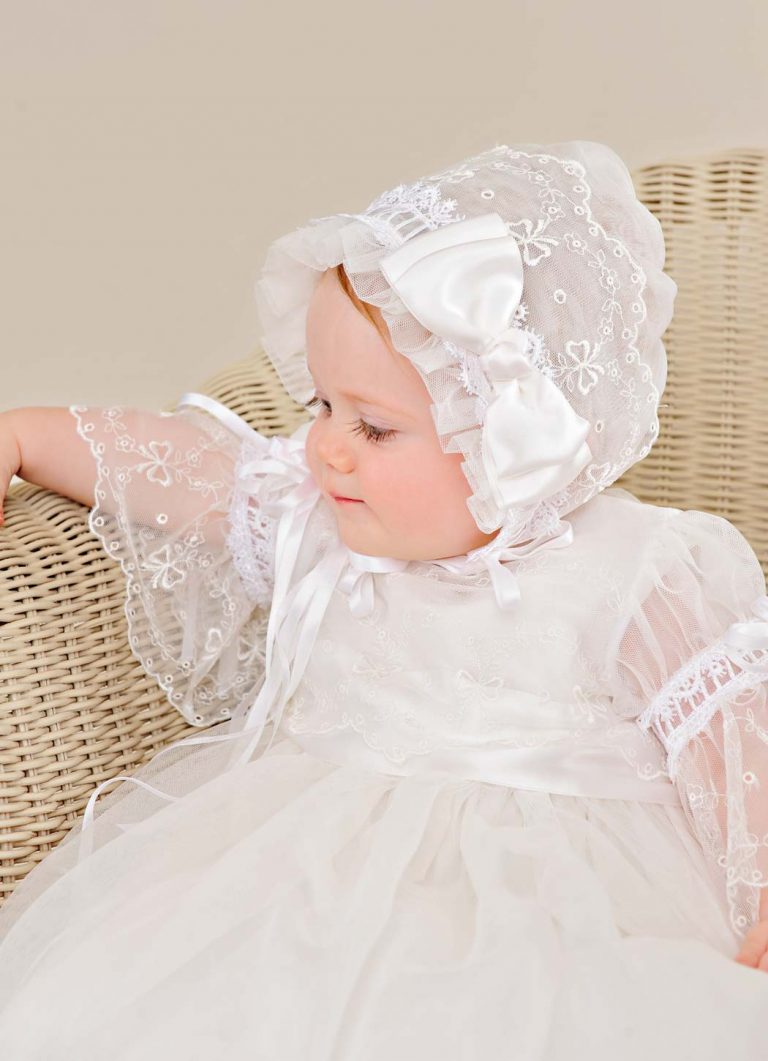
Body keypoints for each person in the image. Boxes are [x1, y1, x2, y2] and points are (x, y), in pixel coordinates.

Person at [1, 139, 768, 1058]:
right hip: (305, 872)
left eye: (373, 425)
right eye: (322, 406)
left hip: (552, 901)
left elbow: (735, 750)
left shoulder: (634, 568)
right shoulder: (321, 517)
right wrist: (25, 436)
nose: (328, 446)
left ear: (510, 436)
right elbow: (181, 466)